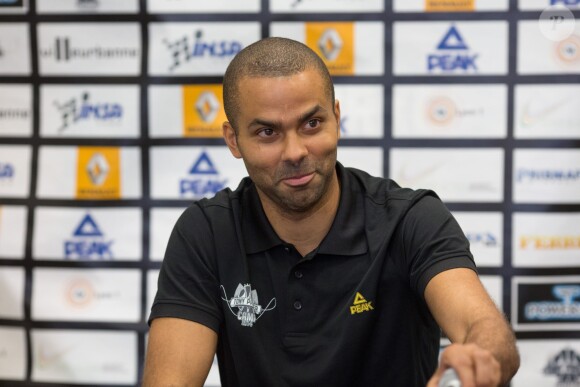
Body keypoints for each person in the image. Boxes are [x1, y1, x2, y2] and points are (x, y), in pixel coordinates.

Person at [143, 37, 519, 387]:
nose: (294, 152)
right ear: (233, 140)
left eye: (311, 123)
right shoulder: (207, 232)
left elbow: (482, 327)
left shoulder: (410, 219)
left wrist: (479, 356)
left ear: (337, 119)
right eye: (267, 133)